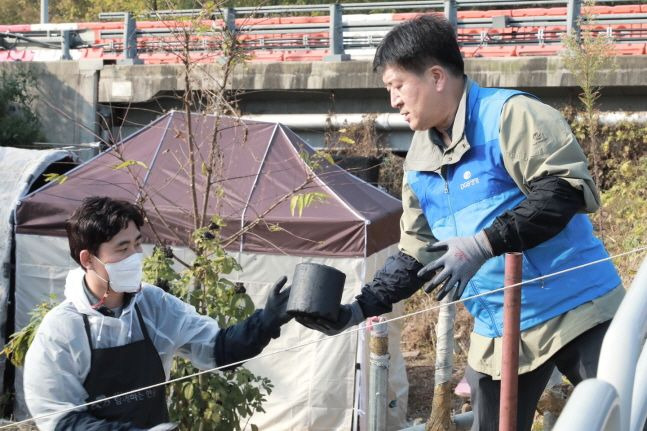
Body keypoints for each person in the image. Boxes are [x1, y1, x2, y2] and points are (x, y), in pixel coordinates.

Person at [297, 14, 624, 431]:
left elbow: (562, 191)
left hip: (578, 307)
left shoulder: (511, 116)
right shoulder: (417, 159)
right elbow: (416, 252)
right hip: (499, 329)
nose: (393, 100)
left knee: (625, 411)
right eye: (389, 90)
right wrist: (358, 309)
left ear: (436, 77)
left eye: (398, 86)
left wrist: (484, 244)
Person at [23, 196, 292, 431]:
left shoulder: (152, 304)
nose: (135, 256)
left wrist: (267, 320)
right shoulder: (61, 330)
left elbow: (218, 349)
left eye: (137, 244)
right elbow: (59, 420)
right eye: (122, 248)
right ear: (87, 259)